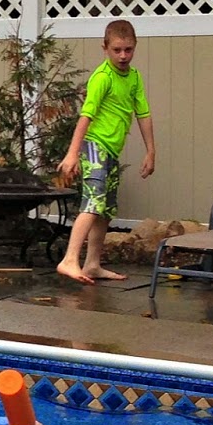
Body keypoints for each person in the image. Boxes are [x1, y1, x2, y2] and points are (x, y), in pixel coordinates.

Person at [55, 18, 155, 285]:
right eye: (117, 50)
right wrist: (72, 154)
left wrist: (150, 152)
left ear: (135, 47)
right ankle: (69, 260)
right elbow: (85, 117)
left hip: (111, 150)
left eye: (128, 50)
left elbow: (143, 114)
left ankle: (92, 264)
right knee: (93, 203)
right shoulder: (102, 77)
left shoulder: (134, 77)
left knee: (105, 210)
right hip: (94, 146)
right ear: (105, 48)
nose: (123, 56)